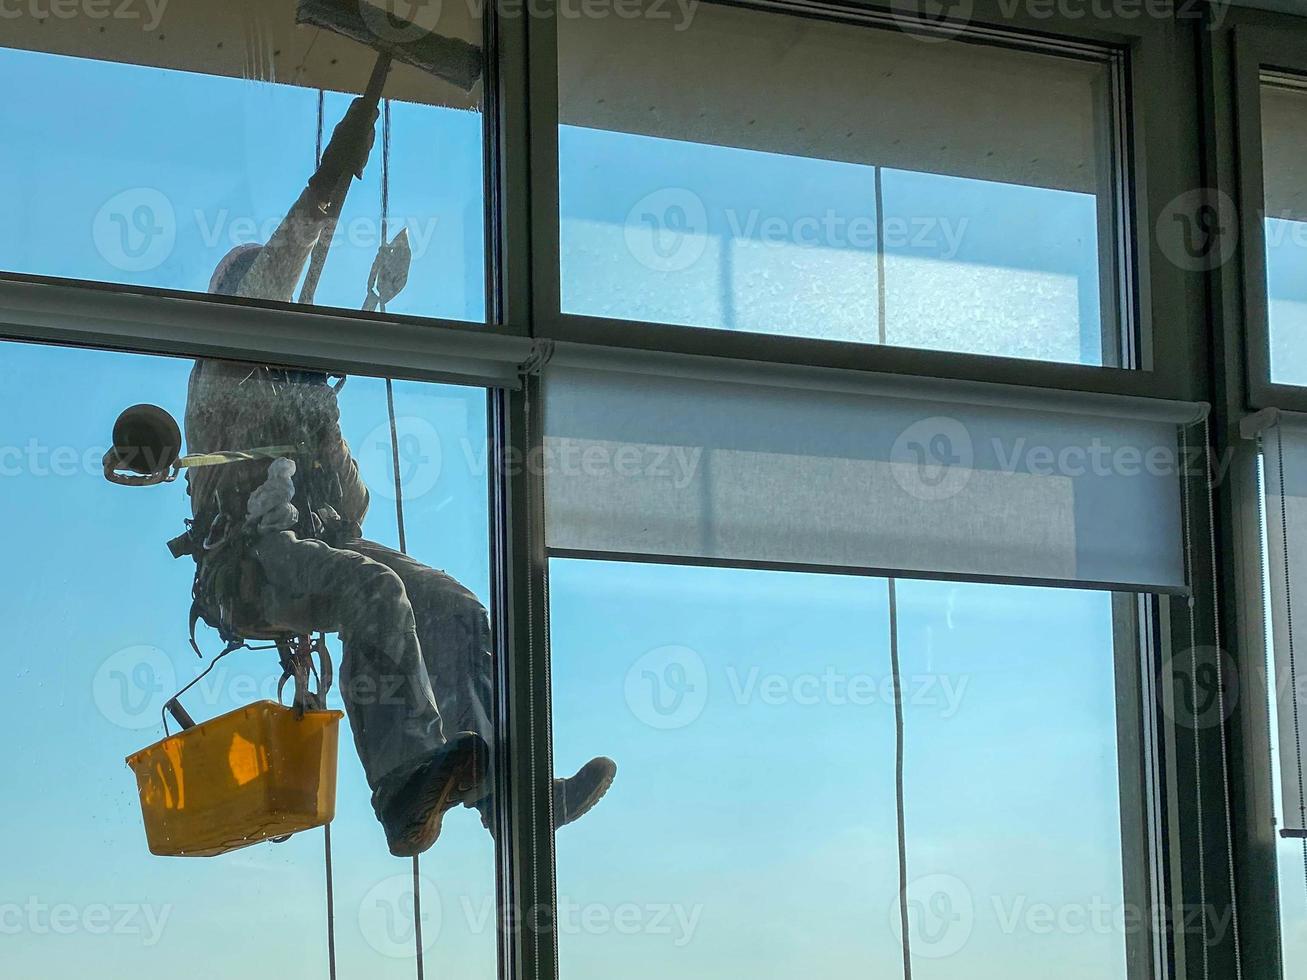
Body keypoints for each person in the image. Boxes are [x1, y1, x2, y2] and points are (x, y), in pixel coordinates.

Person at [173, 96, 615, 857]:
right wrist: (334, 172)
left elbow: (349, 504)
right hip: (243, 563)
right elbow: (282, 262)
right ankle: (404, 785)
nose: (268, 297)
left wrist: (312, 404)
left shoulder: (293, 386)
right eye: (255, 291)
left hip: (308, 545)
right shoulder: (218, 369)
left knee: (452, 607)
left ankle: (510, 791)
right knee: (371, 591)